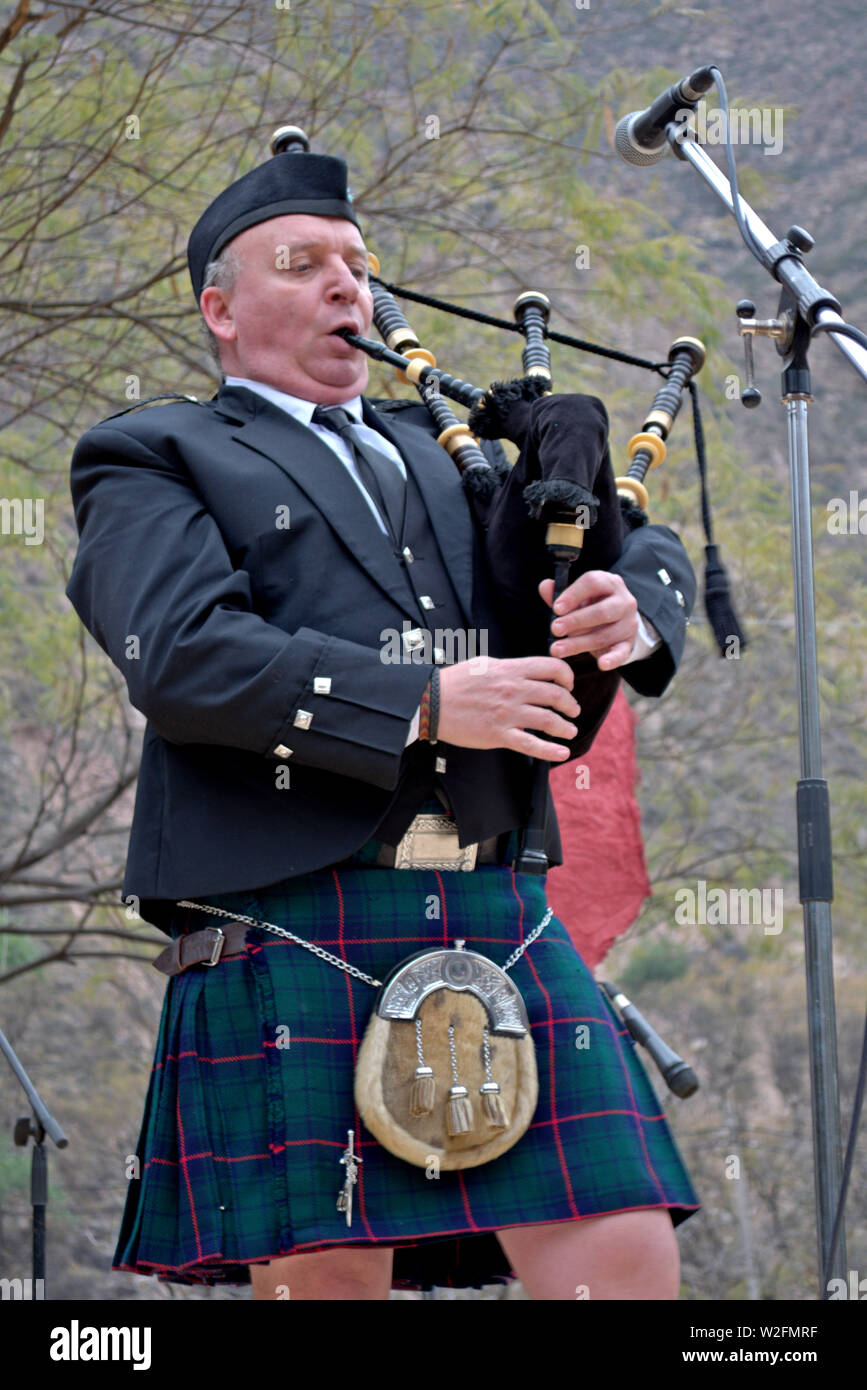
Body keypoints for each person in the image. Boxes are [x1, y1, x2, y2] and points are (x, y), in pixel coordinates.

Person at [65, 142, 700, 1301]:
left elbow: (631, 551)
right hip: (300, 906)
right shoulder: (155, 455)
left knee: (622, 1251)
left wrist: (631, 600)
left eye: (355, 265)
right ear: (221, 309)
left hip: (496, 897)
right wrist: (418, 701)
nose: (345, 287)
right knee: (330, 1279)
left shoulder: (445, 450)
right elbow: (183, 654)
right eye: (301, 264)